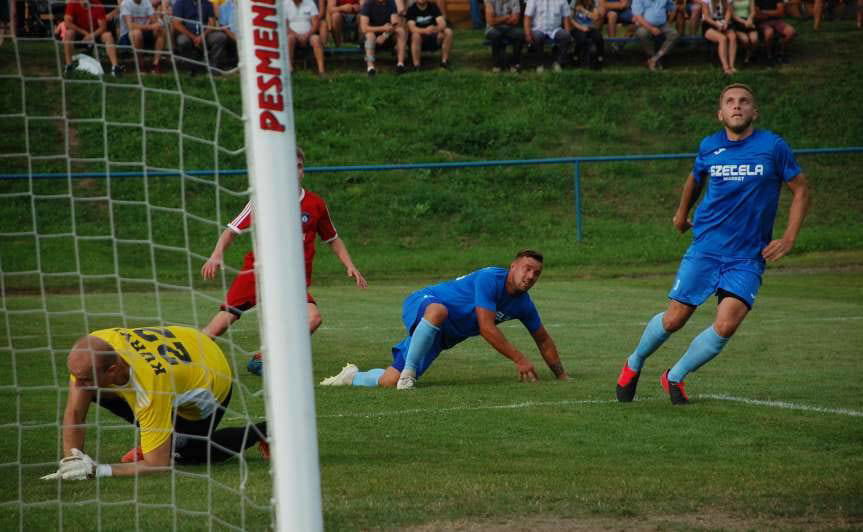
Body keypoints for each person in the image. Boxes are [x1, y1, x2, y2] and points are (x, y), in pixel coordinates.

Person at [615, 84, 810, 406]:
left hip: (747, 256)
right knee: (674, 319)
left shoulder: (773, 147)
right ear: (721, 114)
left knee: (727, 324)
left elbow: (801, 190)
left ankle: (674, 376)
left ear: (754, 112)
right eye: (730, 102)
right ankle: (634, 362)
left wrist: (789, 237)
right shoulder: (709, 146)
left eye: (744, 101)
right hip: (706, 248)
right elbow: (695, 178)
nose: (737, 106)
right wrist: (681, 214)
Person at [40, 326, 268, 480]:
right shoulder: (97, 344)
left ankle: (265, 430)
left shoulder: (150, 389)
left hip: (212, 378)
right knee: (91, 391)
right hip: (189, 342)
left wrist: (96, 470)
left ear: (112, 369)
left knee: (189, 453)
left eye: (85, 378)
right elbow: (75, 412)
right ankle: (162, 439)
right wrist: (72, 459)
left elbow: (158, 465)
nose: (77, 383)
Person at [320, 250, 569, 390]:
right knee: (439, 311)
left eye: (536, 273)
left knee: (388, 381)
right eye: (527, 268)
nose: (531, 276)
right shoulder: (490, 278)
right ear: (513, 266)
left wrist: (561, 376)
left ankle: (351, 376)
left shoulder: (524, 304)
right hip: (425, 303)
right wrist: (520, 359)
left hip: (442, 335)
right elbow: (486, 327)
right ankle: (409, 375)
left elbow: (543, 339)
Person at [201, 147, 367, 343]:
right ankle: (189, 350)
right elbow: (231, 230)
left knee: (313, 318)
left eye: (299, 166)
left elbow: (333, 239)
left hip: (291, 280)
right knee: (221, 323)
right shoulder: (263, 200)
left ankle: (265, 357)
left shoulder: (316, 204)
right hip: (258, 273)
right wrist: (216, 255)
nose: (295, 170)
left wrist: (350, 265)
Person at [63, 0, 123, 77]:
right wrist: (85, 33)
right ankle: (69, 66)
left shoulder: (97, 4)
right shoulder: (72, 3)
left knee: (108, 35)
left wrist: (92, 35)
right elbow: (67, 23)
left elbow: (103, 27)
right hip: (79, 33)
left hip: (96, 33)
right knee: (68, 34)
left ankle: (115, 67)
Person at [171, 0, 229, 71]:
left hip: (205, 35)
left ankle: (214, 65)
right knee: (182, 40)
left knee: (220, 37)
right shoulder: (180, 3)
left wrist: (202, 36)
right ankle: (190, 65)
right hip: (188, 35)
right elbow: (177, 24)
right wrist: (193, 37)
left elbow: (212, 23)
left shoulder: (207, 4)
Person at [359, 0, 408, 75]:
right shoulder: (368, 4)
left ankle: (400, 65)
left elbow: (394, 24)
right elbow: (364, 28)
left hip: (387, 35)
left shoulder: (391, 3)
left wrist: (385, 35)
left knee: (400, 31)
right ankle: (370, 68)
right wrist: (383, 28)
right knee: (370, 35)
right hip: (370, 37)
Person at [524, 0, 573, 72]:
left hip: (555, 29)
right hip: (538, 29)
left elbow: (566, 18)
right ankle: (539, 64)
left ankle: (558, 63)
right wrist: (527, 34)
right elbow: (527, 17)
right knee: (537, 37)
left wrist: (568, 33)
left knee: (566, 36)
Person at [118, 0, 166, 73]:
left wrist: (157, 24)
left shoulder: (146, 2)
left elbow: (154, 20)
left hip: (144, 30)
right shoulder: (125, 3)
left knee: (161, 31)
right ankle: (140, 65)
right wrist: (149, 27)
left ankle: (155, 65)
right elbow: (130, 25)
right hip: (127, 34)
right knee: (137, 33)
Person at [632, 0, 680, 70]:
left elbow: (673, 8)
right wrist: (651, 28)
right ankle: (651, 56)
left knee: (674, 34)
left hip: (662, 25)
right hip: (644, 25)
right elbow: (638, 16)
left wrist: (669, 21)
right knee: (642, 33)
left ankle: (655, 58)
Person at [406, 0, 453, 69]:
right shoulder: (411, 9)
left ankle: (444, 62)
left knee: (448, 31)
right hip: (419, 39)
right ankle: (416, 65)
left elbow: (443, 23)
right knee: (415, 35)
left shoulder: (433, 6)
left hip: (433, 36)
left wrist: (435, 29)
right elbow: (412, 28)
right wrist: (425, 30)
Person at [285, 0, 326, 75]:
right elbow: (285, 25)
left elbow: (315, 23)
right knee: (289, 39)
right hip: (293, 35)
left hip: (309, 34)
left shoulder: (310, 2)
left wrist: (307, 35)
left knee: (316, 39)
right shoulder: (285, 4)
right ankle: (290, 69)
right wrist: (297, 35)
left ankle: (321, 70)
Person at [484, 0, 524, 72]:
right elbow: (491, 21)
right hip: (493, 28)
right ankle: (497, 64)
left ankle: (515, 63)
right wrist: (506, 17)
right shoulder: (489, 1)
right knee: (494, 34)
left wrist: (497, 19)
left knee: (519, 34)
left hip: (510, 27)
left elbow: (515, 20)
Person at [700, 0, 737, 74]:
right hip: (709, 23)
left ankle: (732, 65)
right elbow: (706, 17)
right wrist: (716, 25)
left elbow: (728, 12)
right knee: (722, 39)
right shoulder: (706, 1)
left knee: (733, 37)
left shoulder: (726, 1)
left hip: (722, 21)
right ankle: (725, 67)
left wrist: (725, 22)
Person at [754, 0, 795, 64]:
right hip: (763, 22)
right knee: (769, 33)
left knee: (791, 32)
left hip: (777, 21)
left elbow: (780, 12)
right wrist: (774, 13)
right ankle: (768, 55)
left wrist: (763, 12)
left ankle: (780, 53)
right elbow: (757, 14)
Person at [568, 0, 605, 69]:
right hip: (577, 27)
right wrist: (581, 27)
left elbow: (595, 17)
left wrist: (583, 10)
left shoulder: (594, 2)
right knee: (582, 38)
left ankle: (599, 59)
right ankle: (576, 58)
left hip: (590, 27)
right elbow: (571, 19)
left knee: (598, 37)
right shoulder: (574, 2)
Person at [729, 0, 757, 64]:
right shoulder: (731, 1)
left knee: (754, 39)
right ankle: (748, 55)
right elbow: (733, 15)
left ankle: (750, 54)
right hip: (737, 22)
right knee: (745, 39)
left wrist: (749, 19)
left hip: (748, 20)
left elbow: (753, 12)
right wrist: (744, 22)